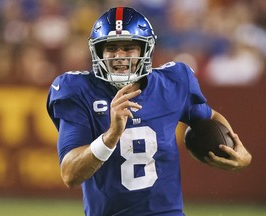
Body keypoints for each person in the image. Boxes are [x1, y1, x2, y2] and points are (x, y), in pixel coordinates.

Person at [47, 7, 252, 216]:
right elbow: (70, 174)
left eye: (128, 48)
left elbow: (209, 117)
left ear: (145, 50)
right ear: (98, 52)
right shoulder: (78, 91)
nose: (119, 56)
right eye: (111, 48)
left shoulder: (173, 82)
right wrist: (111, 136)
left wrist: (239, 152)